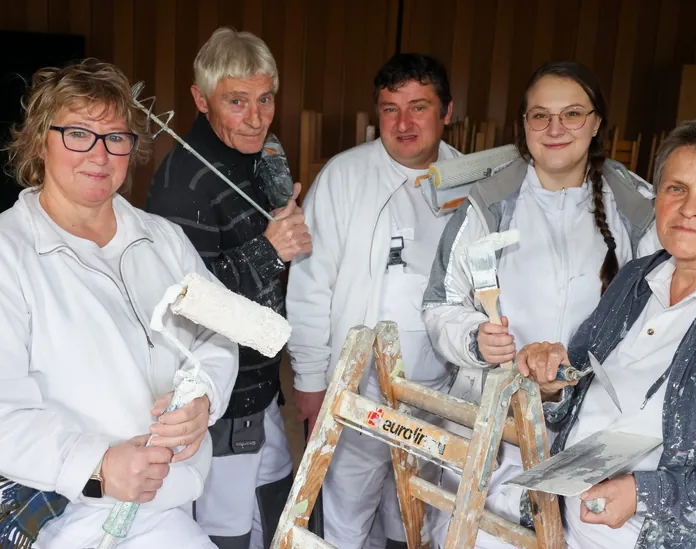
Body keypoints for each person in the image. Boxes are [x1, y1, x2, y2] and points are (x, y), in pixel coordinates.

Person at [421, 61, 660, 548]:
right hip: (496, 422)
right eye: (539, 116)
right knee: (485, 535)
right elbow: (439, 303)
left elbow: (661, 315)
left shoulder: (635, 206)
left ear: (596, 123)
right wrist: (475, 339)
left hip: (594, 429)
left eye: (572, 114)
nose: (555, 129)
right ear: (523, 125)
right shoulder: (489, 202)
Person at [0, 60, 237, 549]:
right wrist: (98, 466)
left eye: (116, 137)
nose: (100, 154)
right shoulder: (9, 253)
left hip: (167, 505)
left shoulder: (163, 241)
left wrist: (204, 394)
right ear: (40, 139)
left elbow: (219, 330)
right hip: (66, 518)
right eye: (78, 134)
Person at [516, 118, 696, 549]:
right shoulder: (637, 278)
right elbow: (576, 384)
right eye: (676, 188)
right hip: (565, 530)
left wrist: (644, 493)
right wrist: (552, 383)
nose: (689, 207)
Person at [286, 53, 460, 548]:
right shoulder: (345, 176)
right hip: (361, 393)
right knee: (346, 516)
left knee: (414, 518)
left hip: (439, 395)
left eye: (418, 107)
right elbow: (309, 284)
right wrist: (310, 378)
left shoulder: (471, 181)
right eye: (389, 109)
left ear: (447, 112)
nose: (403, 123)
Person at [145, 28, 309, 549]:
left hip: (261, 386)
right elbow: (181, 304)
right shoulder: (183, 182)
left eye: (265, 99)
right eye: (236, 102)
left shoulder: (258, 156)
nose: (257, 117)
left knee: (279, 514)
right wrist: (270, 248)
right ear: (200, 99)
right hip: (217, 400)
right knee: (227, 534)